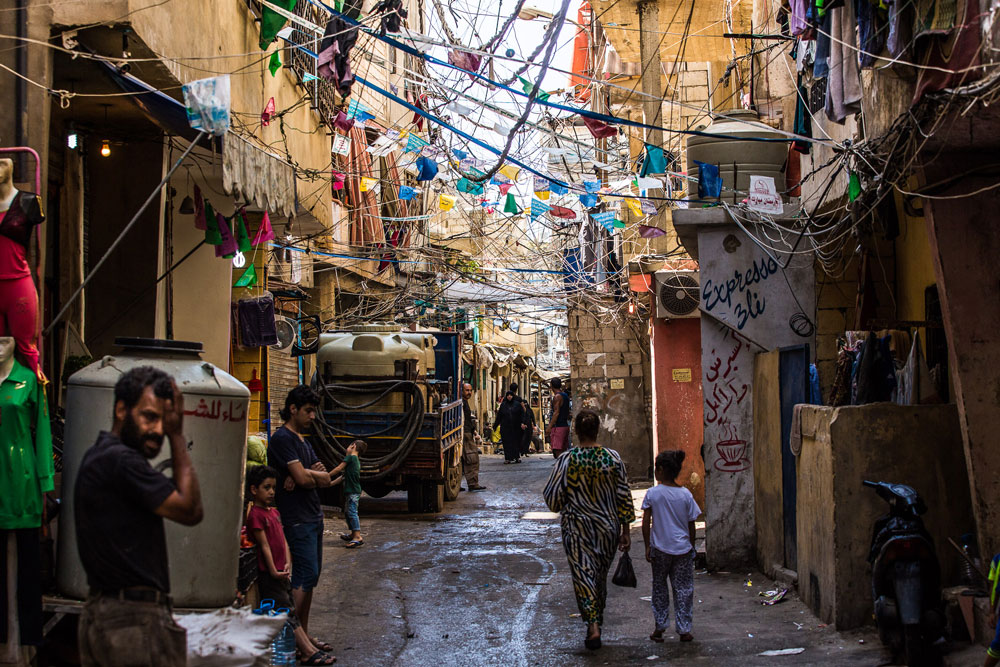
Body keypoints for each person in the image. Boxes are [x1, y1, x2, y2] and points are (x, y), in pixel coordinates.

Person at [75, 367, 203, 667]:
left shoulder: (101, 455)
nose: (157, 429)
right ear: (121, 409)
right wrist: (177, 434)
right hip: (132, 622)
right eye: (149, 417)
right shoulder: (121, 461)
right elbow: (190, 509)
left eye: (163, 420)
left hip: (109, 615)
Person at [543, 409, 634, 651]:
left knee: (583, 575)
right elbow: (624, 496)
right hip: (608, 529)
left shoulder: (567, 460)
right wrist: (626, 530)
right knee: (599, 577)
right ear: (598, 430)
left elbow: (552, 499)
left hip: (576, 529)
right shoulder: (612, 458)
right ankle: (596, 621)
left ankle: (592, 624)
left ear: (575, 432)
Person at [268, 385, 335, 654]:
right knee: (303, 579)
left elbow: (325, 477)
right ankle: (298, 643)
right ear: (293, 409)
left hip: (313, 515)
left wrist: (307, 475)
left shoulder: (303, 441)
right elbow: (305, 478)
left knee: (310, 579)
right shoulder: (283, 439)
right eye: (308, 411)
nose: (313, 416)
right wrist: (307, 476)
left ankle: (303, 636)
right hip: (297, 518)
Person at [246, 466, 335, 666]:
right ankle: (307, 650)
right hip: (271, 575)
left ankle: (306, 649)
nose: (271, 492)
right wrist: (273, 570)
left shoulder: (274, 513)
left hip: (282, 572)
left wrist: (287, 562)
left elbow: (283, 541)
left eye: (273, 488)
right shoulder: (257, 516)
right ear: (253, 490)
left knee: (291, 610)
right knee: (286, 613)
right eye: (266, 487)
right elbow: (265, 546)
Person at [642, 450, 701, 644]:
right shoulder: (685, 494)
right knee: (683, 589)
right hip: (682, 549)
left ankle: (660, 627)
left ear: (660, 470)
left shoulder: (653, 493)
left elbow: (646, 522)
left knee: (659, 588)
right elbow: (692, 523)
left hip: (660, 549)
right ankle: (684, 629)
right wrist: (691, 547)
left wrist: (647, 546)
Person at [330, 439, 367, 548]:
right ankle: (353, 533)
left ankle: (358, 537)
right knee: (348, 512)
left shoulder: (350, 458)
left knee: (352, 513)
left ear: (353, 446)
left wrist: (326, 475)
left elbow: (338, 469)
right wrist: (330, 483)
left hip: (353, 492)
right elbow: (343, 477)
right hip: (352, 491)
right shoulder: (355, 460)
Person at [493, 383, 527, 464]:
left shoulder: (517, 405)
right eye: (508, 395)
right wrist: (495, 425)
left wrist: (522, 423)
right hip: (506, 428)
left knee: (516, 442)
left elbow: (522, 414)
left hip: (516, 428)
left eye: (510, 395)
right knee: (507, 443)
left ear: (513, 396)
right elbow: (499, 416)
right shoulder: (503, 405)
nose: (509, 397)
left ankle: (516, 457)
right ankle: (508, 458)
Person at [461, 382, 486, 491]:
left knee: (464, 459)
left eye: (470, 390)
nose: (469, 392)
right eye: (467, 390)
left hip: (467, 432)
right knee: (472, 458)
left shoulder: (464, 402)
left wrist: (474, 432)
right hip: (465, 434)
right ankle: (472, 483)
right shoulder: (461, 403)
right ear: (461, 390)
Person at [546, 378, 571, 458]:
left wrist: (549, 427)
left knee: (557, 449)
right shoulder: (565, 396)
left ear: (551, 386)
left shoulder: (557, 397)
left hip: (558, 426)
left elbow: (556, 413)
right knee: (563, 448)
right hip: (564, 425)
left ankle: (560, 465)